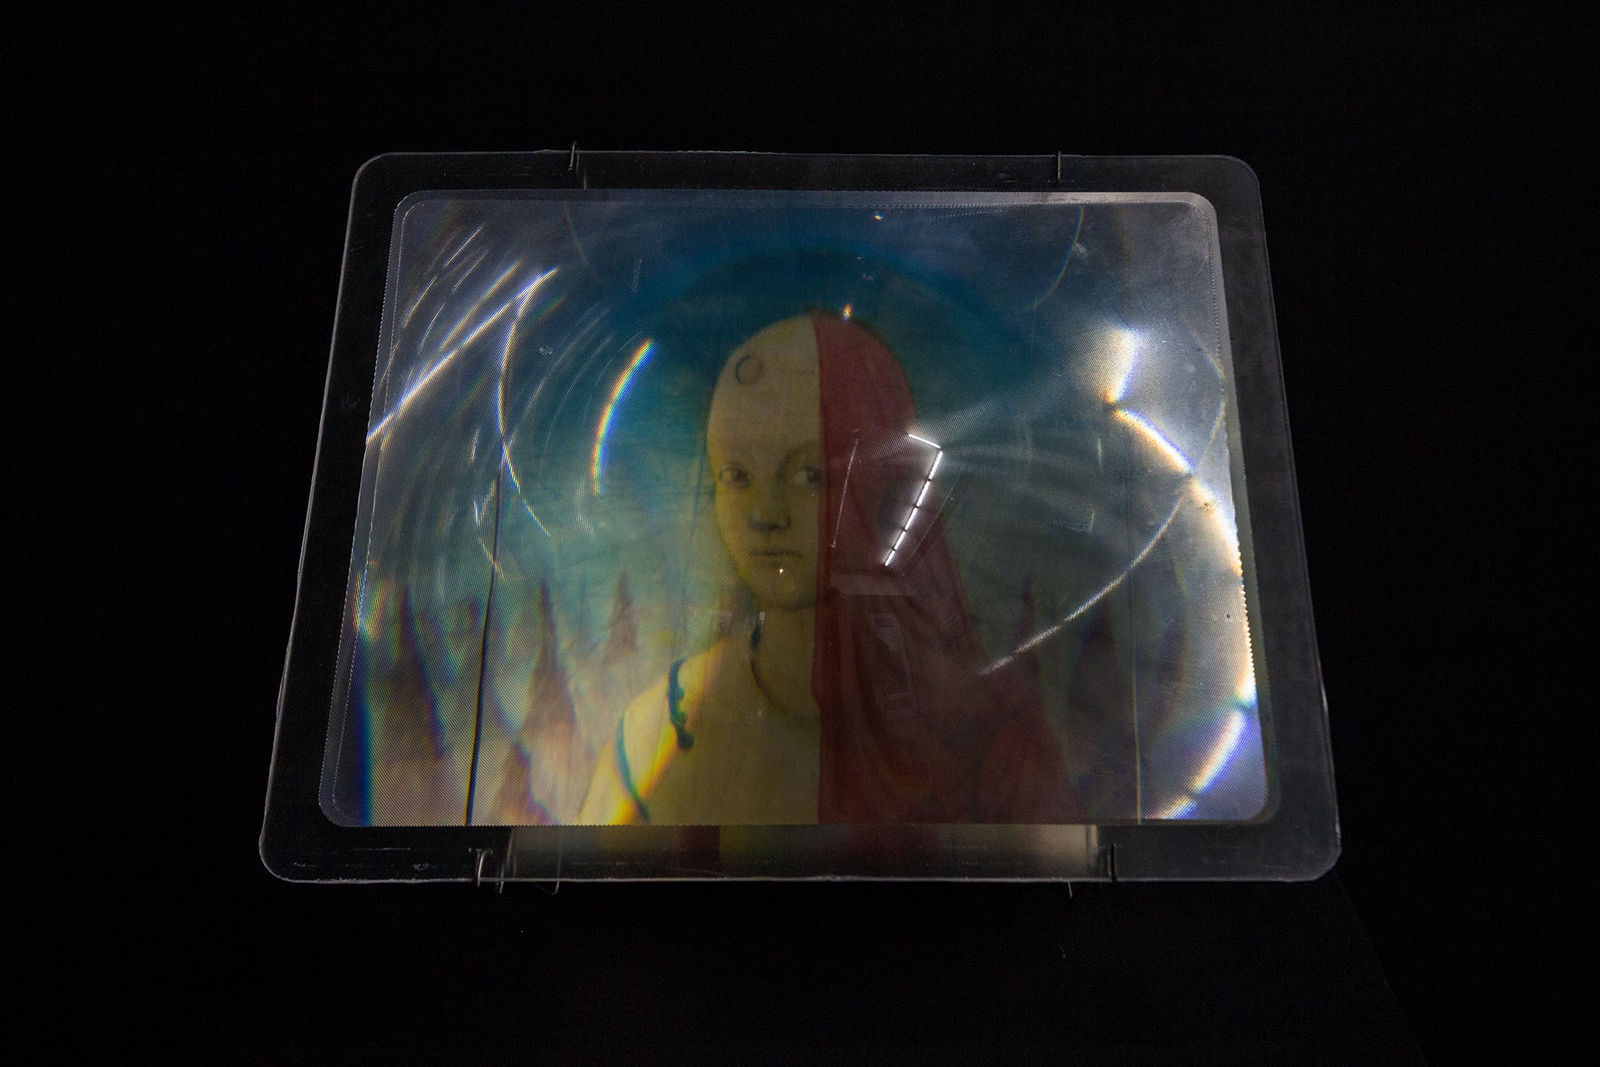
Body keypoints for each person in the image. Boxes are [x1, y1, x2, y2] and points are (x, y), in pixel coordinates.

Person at [579, 313, 1073, 825]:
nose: (765, 514)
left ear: (883, 487)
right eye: (736, 475)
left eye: (809, 474)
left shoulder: (984, 730)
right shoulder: (654, 735)